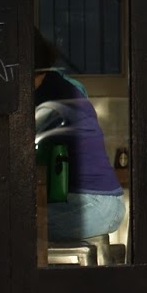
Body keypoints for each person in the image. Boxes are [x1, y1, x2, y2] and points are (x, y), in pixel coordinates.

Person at [34, 34, 126, 244]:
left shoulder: (54, 97)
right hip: (95, 202)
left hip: (94, 204)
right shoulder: (58, 85)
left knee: (10, 226)